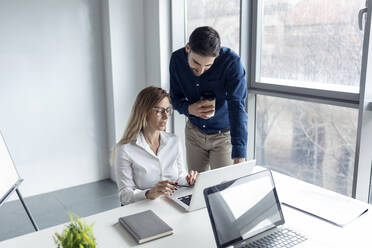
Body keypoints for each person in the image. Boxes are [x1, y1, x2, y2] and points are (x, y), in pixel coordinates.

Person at [169, 26, 248, 172]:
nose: (201, 70)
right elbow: (175, 98)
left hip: (223, 137)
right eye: (196, 63)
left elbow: (237, 107)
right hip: (194, 133)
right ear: (188, 48)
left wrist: (239, 153)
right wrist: (189, 109)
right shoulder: (176, 60)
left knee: (223, 189)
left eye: (208, 65)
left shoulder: (231, 62)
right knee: (196, 186)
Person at [114, 86, 198, 205]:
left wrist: (190, 180)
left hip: (172, 203)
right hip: (143, 207)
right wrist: (149, 193)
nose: (166, 116)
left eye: (168, 110)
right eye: (159, 111)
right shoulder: (125, 149)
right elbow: (124, 195)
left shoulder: (174, 141)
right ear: (144, 112)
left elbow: (180, 176)